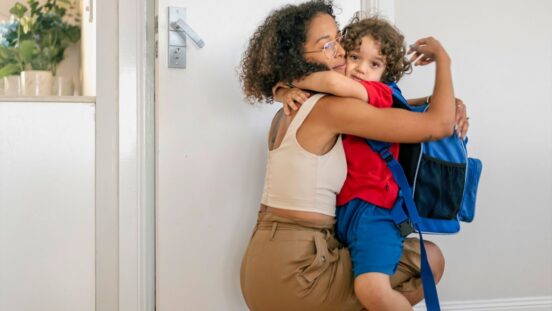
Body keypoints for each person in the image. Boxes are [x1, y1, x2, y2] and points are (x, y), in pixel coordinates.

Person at [239, 1, 457, 310]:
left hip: (260, 264)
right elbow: (439, 125)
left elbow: (386, 103)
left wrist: (283, 85)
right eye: (328, 46)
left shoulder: (289, 107)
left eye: (339, 40)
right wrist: (444, 63)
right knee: (429, 259)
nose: (341, 53)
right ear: (297, 58)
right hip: (300, 273)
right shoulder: (332, 108)